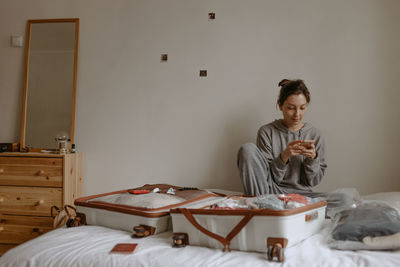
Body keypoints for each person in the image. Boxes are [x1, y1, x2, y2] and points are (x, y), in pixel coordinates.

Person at [237, 79, 350, 214]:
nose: (297, 114)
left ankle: (283, 208)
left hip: (302, 195)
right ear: (280, 105)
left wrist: (312, 159)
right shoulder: (267, 132)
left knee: (345, 200)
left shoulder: (315, 134)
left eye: (302, 108)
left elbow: (312, 182)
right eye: (291, 108)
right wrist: (284, 157)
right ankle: (271, 206)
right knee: (247, 149)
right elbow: (267, 178)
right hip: (272, 191)